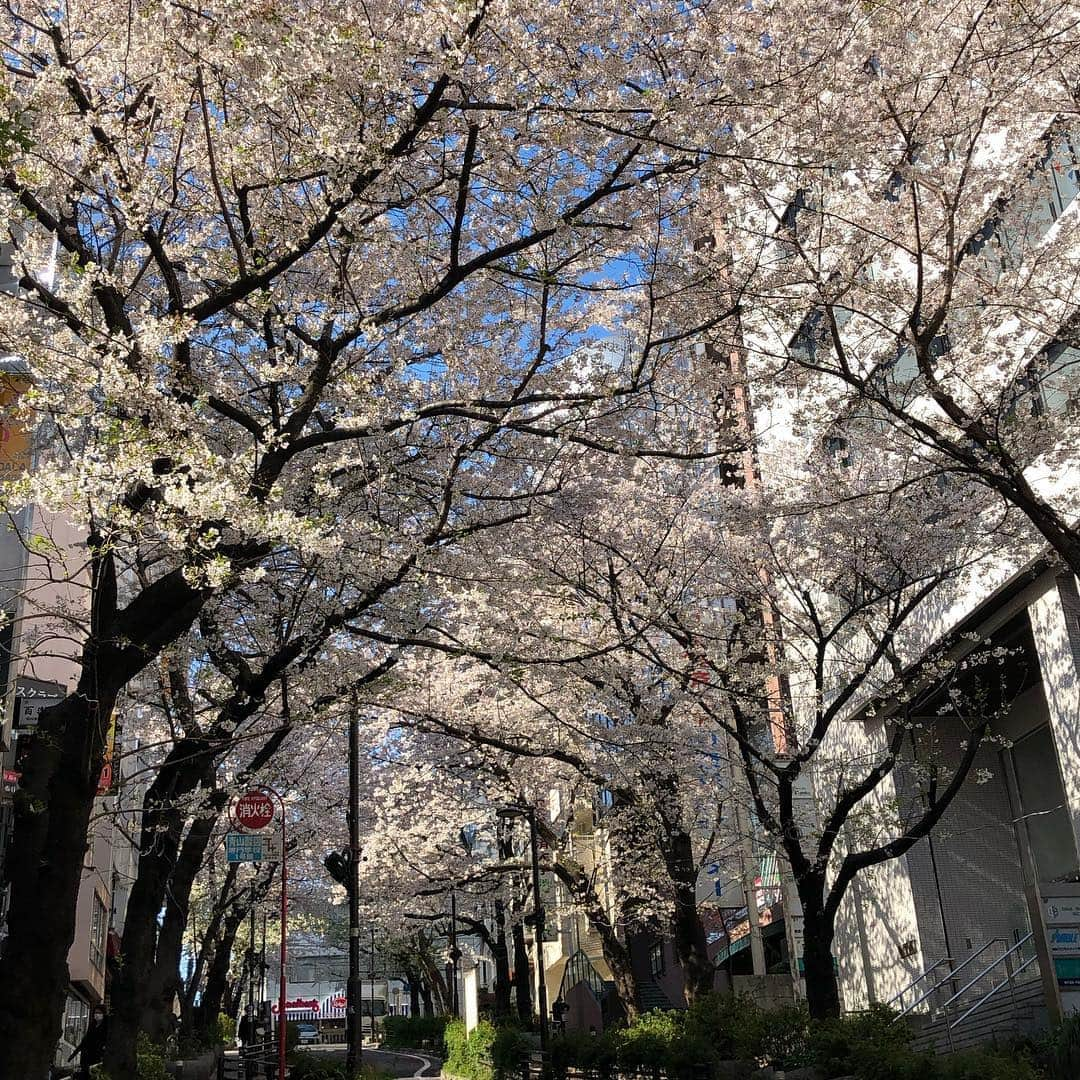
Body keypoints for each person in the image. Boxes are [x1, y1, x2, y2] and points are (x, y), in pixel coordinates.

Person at [68, 1007, 107, 1080]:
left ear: (104, 1014)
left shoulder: (106, 1027)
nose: (97, 1015)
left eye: (99, 1013)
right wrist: (74, 1054)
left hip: (97, 1057)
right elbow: (84, 1041)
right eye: (96, 1013)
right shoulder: (92, 1025)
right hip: (86, 1057)